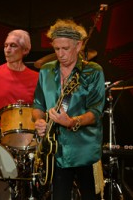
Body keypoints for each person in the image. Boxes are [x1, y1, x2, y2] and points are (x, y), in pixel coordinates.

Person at [32, 19, 106, 199]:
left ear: (79, 45)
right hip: (55, 151)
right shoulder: (46, 71)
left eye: (65, 48)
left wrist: (72, 122)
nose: (60, 54)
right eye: (56, 49)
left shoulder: (93, 71)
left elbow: (96, 112)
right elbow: (38, 104)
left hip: (85, 150)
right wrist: (39, 121)